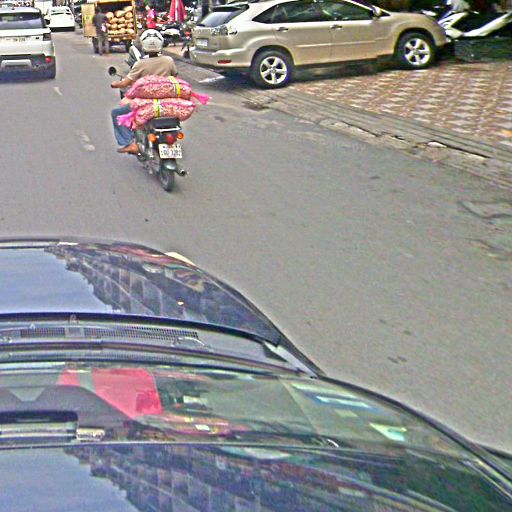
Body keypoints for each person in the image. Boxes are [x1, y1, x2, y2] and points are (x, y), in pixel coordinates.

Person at [110, 29, 178, 155]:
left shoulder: (140, 64)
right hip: (165, 102)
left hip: (145, 103)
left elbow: (125, 83)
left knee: (116, 113)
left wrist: (115, 84)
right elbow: (174, 75)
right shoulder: (169, 61)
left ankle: (129, 143)